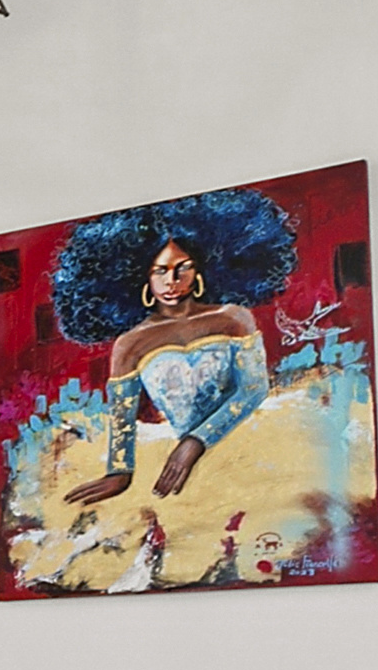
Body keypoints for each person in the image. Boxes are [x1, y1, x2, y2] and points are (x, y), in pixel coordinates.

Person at [55, 190, 294, 508]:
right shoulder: (131, 343)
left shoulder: (233, 318)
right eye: (160, 271)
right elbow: (122, 419)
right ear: (142, 276)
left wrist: (194, 443)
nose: (172, 280)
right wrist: (119, 473)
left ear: (200, 271)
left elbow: (253, 388)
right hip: (184, 464)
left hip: (250, 439)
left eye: (183, 268)